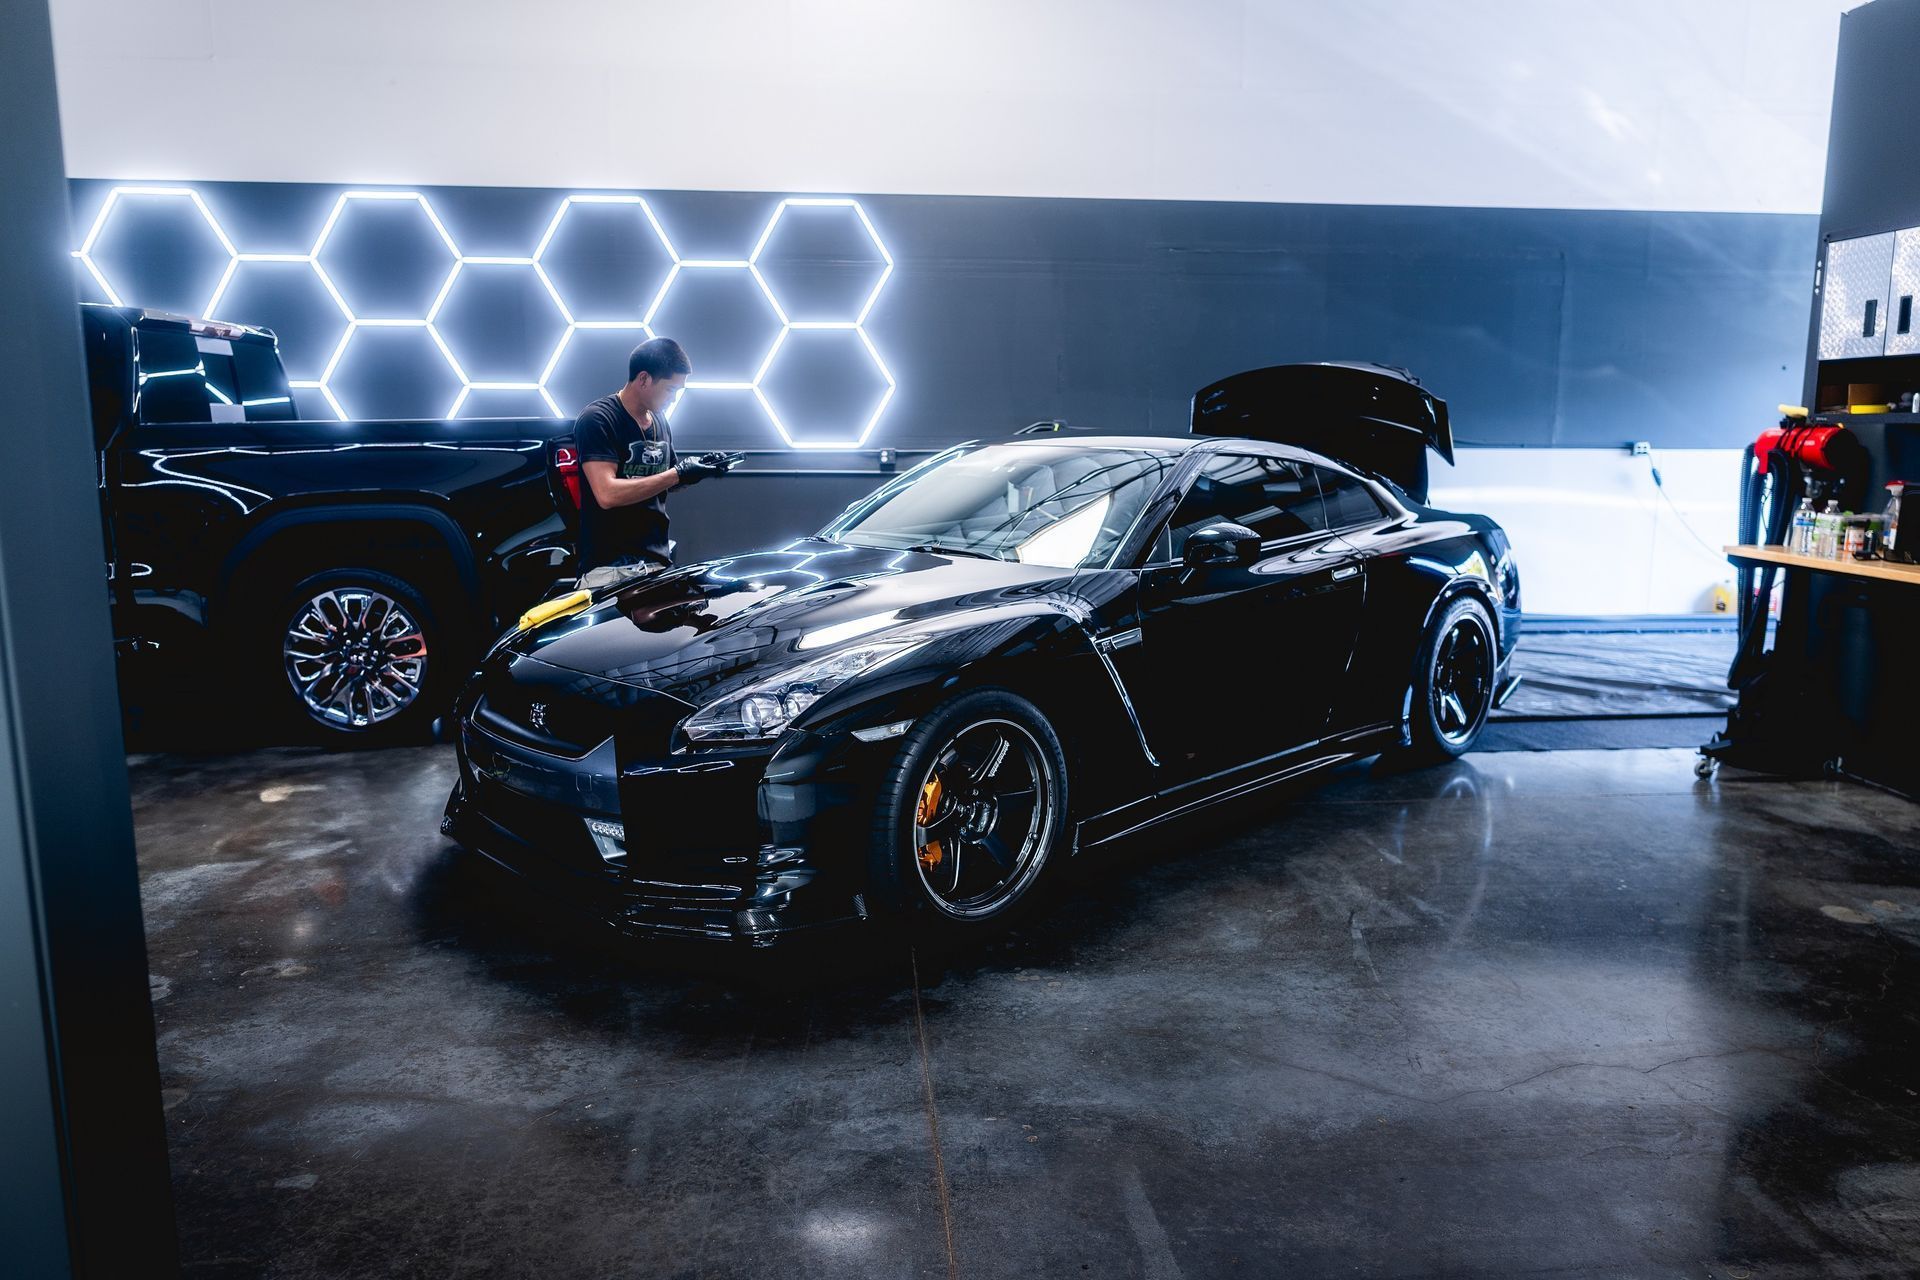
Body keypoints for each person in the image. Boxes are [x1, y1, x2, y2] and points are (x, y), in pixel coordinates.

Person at [571, 337, 733, 578]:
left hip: (657, 563)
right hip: (609, 569)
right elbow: (607, 494)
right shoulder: (598, 419)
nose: (674, 398)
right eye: (670, 389)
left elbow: (666, 479)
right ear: (644, 379)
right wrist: (678, 474)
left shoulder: (659, 420)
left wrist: (699, 471)